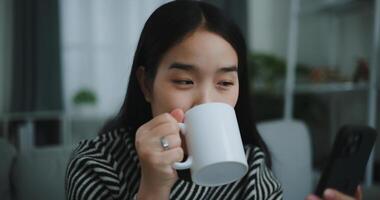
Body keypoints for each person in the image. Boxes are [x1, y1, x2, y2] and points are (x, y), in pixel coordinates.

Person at [65, 1, 361, 200]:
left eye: (225, 83)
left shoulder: (251, 169)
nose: (206, 101)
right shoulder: (97, 164)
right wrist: (153, 186)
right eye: (184, 81)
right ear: (146, 84)